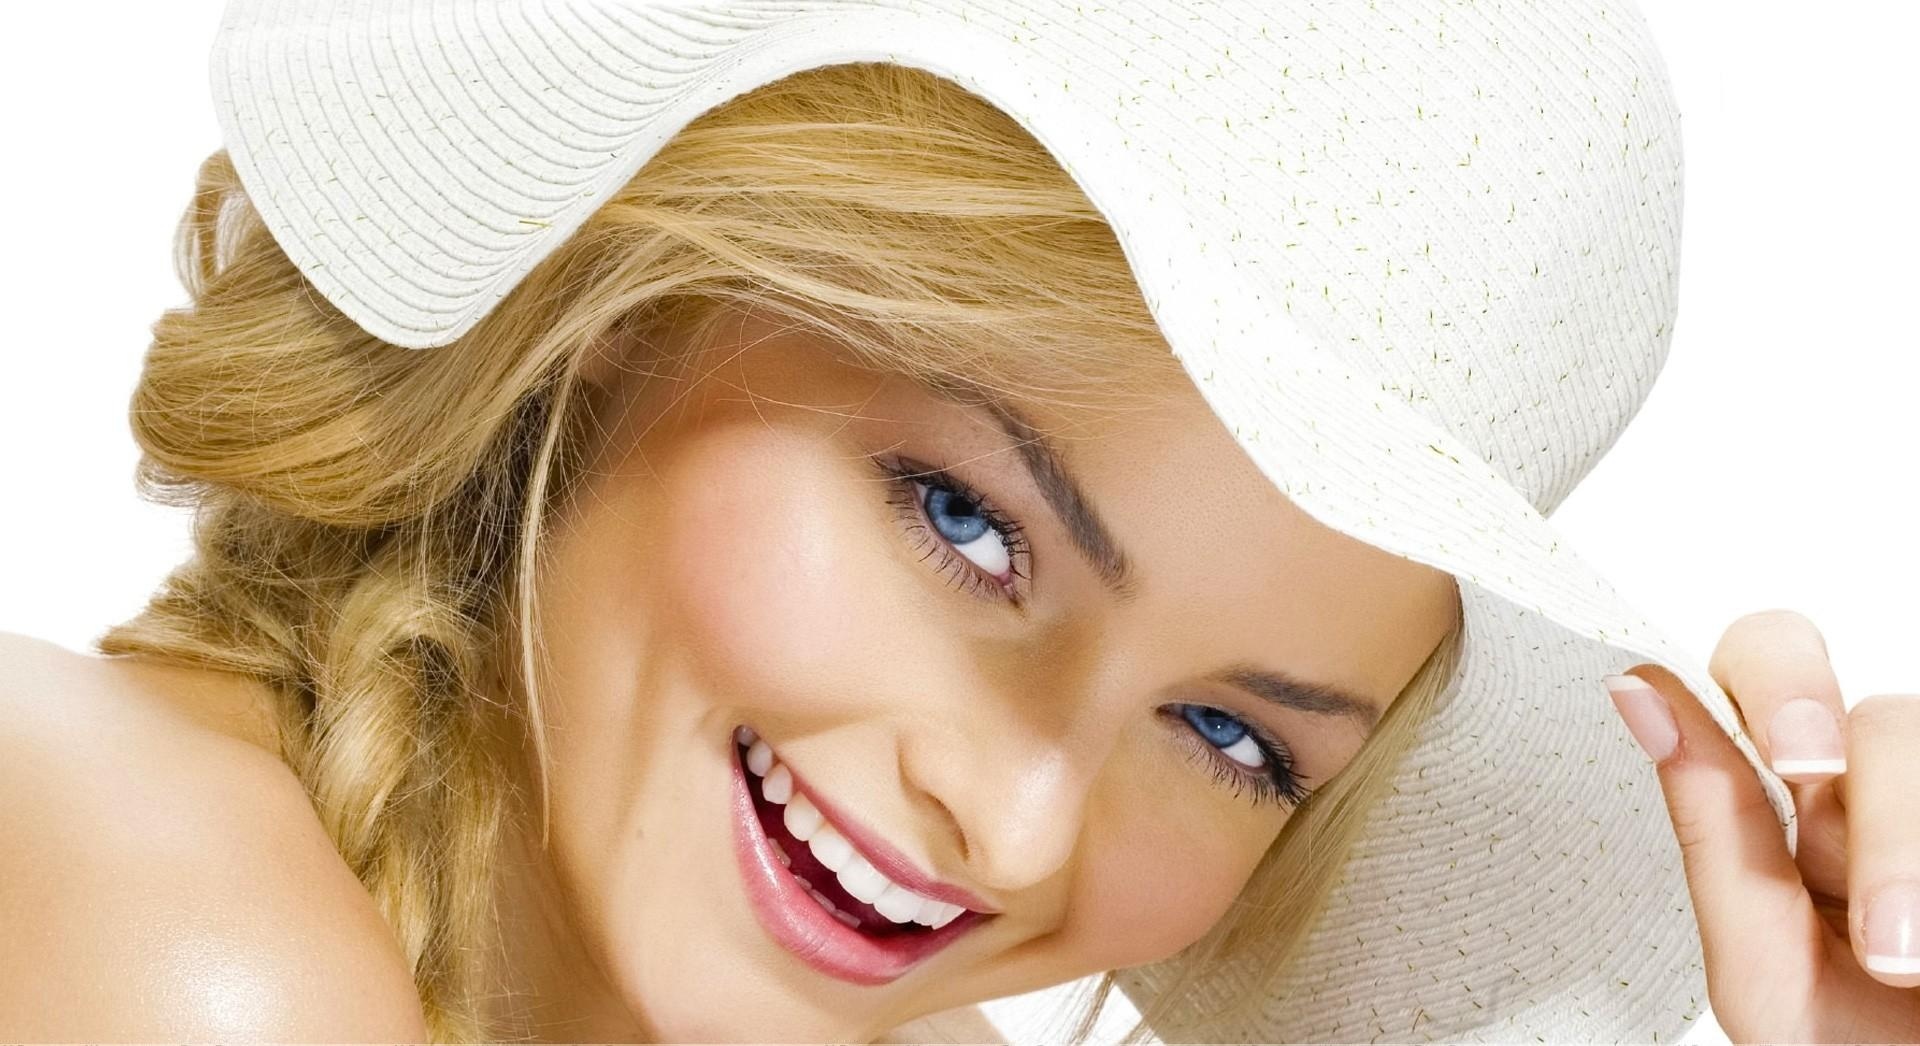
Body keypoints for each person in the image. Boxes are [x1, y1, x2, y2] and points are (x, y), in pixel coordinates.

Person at [2, 6, 1914, 1045]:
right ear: (629, 307)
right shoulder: (161, 921)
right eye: (967, 521)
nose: (1018, 828)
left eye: (1231, 734)